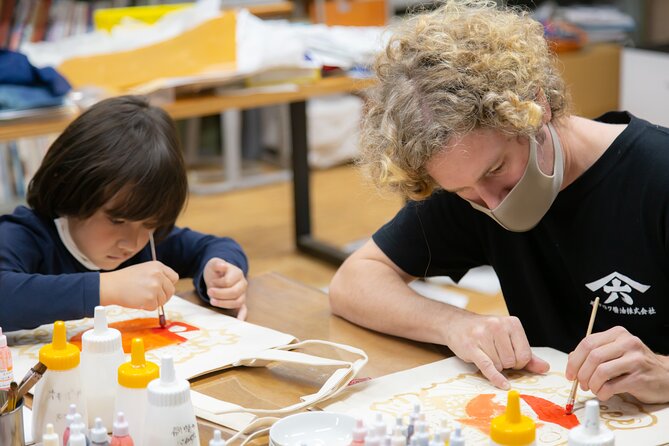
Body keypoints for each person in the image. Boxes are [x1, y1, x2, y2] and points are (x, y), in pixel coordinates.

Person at [329, 0, 669, 404]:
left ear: (536, 108)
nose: (492, 204)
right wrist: (453, 324)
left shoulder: (657, 177)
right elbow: (353, 282)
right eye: (463, 191)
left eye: (497, 170)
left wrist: (664, 373)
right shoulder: (466, 178)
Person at [0, 95, 249, 332]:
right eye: (116, 220)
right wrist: (105, 288)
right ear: (69, 185)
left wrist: (219, 275)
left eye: (150, 223)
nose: (132, 243)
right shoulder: (24, 235)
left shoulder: (148, 242)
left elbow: (216, 246)